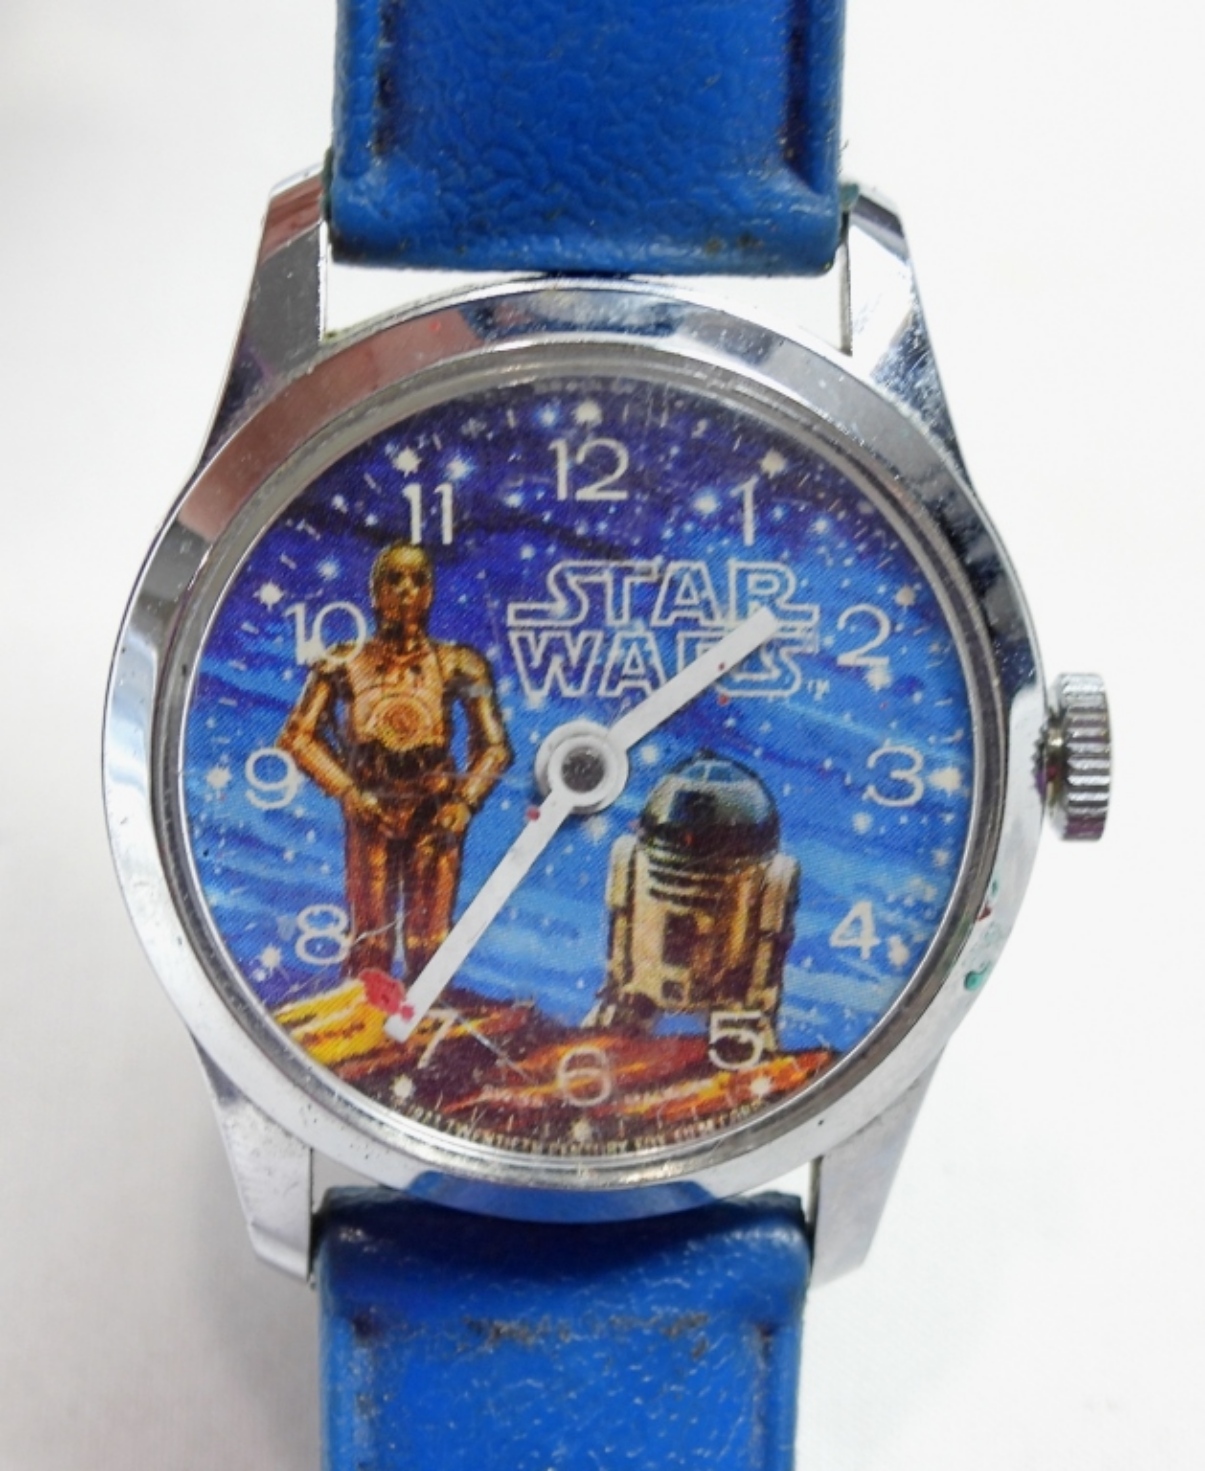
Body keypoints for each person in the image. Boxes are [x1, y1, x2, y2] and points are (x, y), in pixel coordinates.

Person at [280, 543, 512, 989]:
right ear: (375, 591)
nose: (407, 591)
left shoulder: (459, 664)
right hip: (372, 807)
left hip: (435, 810)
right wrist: (347, 791)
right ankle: (363, 1019)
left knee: (430, 942)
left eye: (418, 580)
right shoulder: (344, 662)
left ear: (431, 592)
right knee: (371, 941)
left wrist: (464, 802)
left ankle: (429, 1020)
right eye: (395, 580)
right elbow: (297, 736)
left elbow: (495, 747)